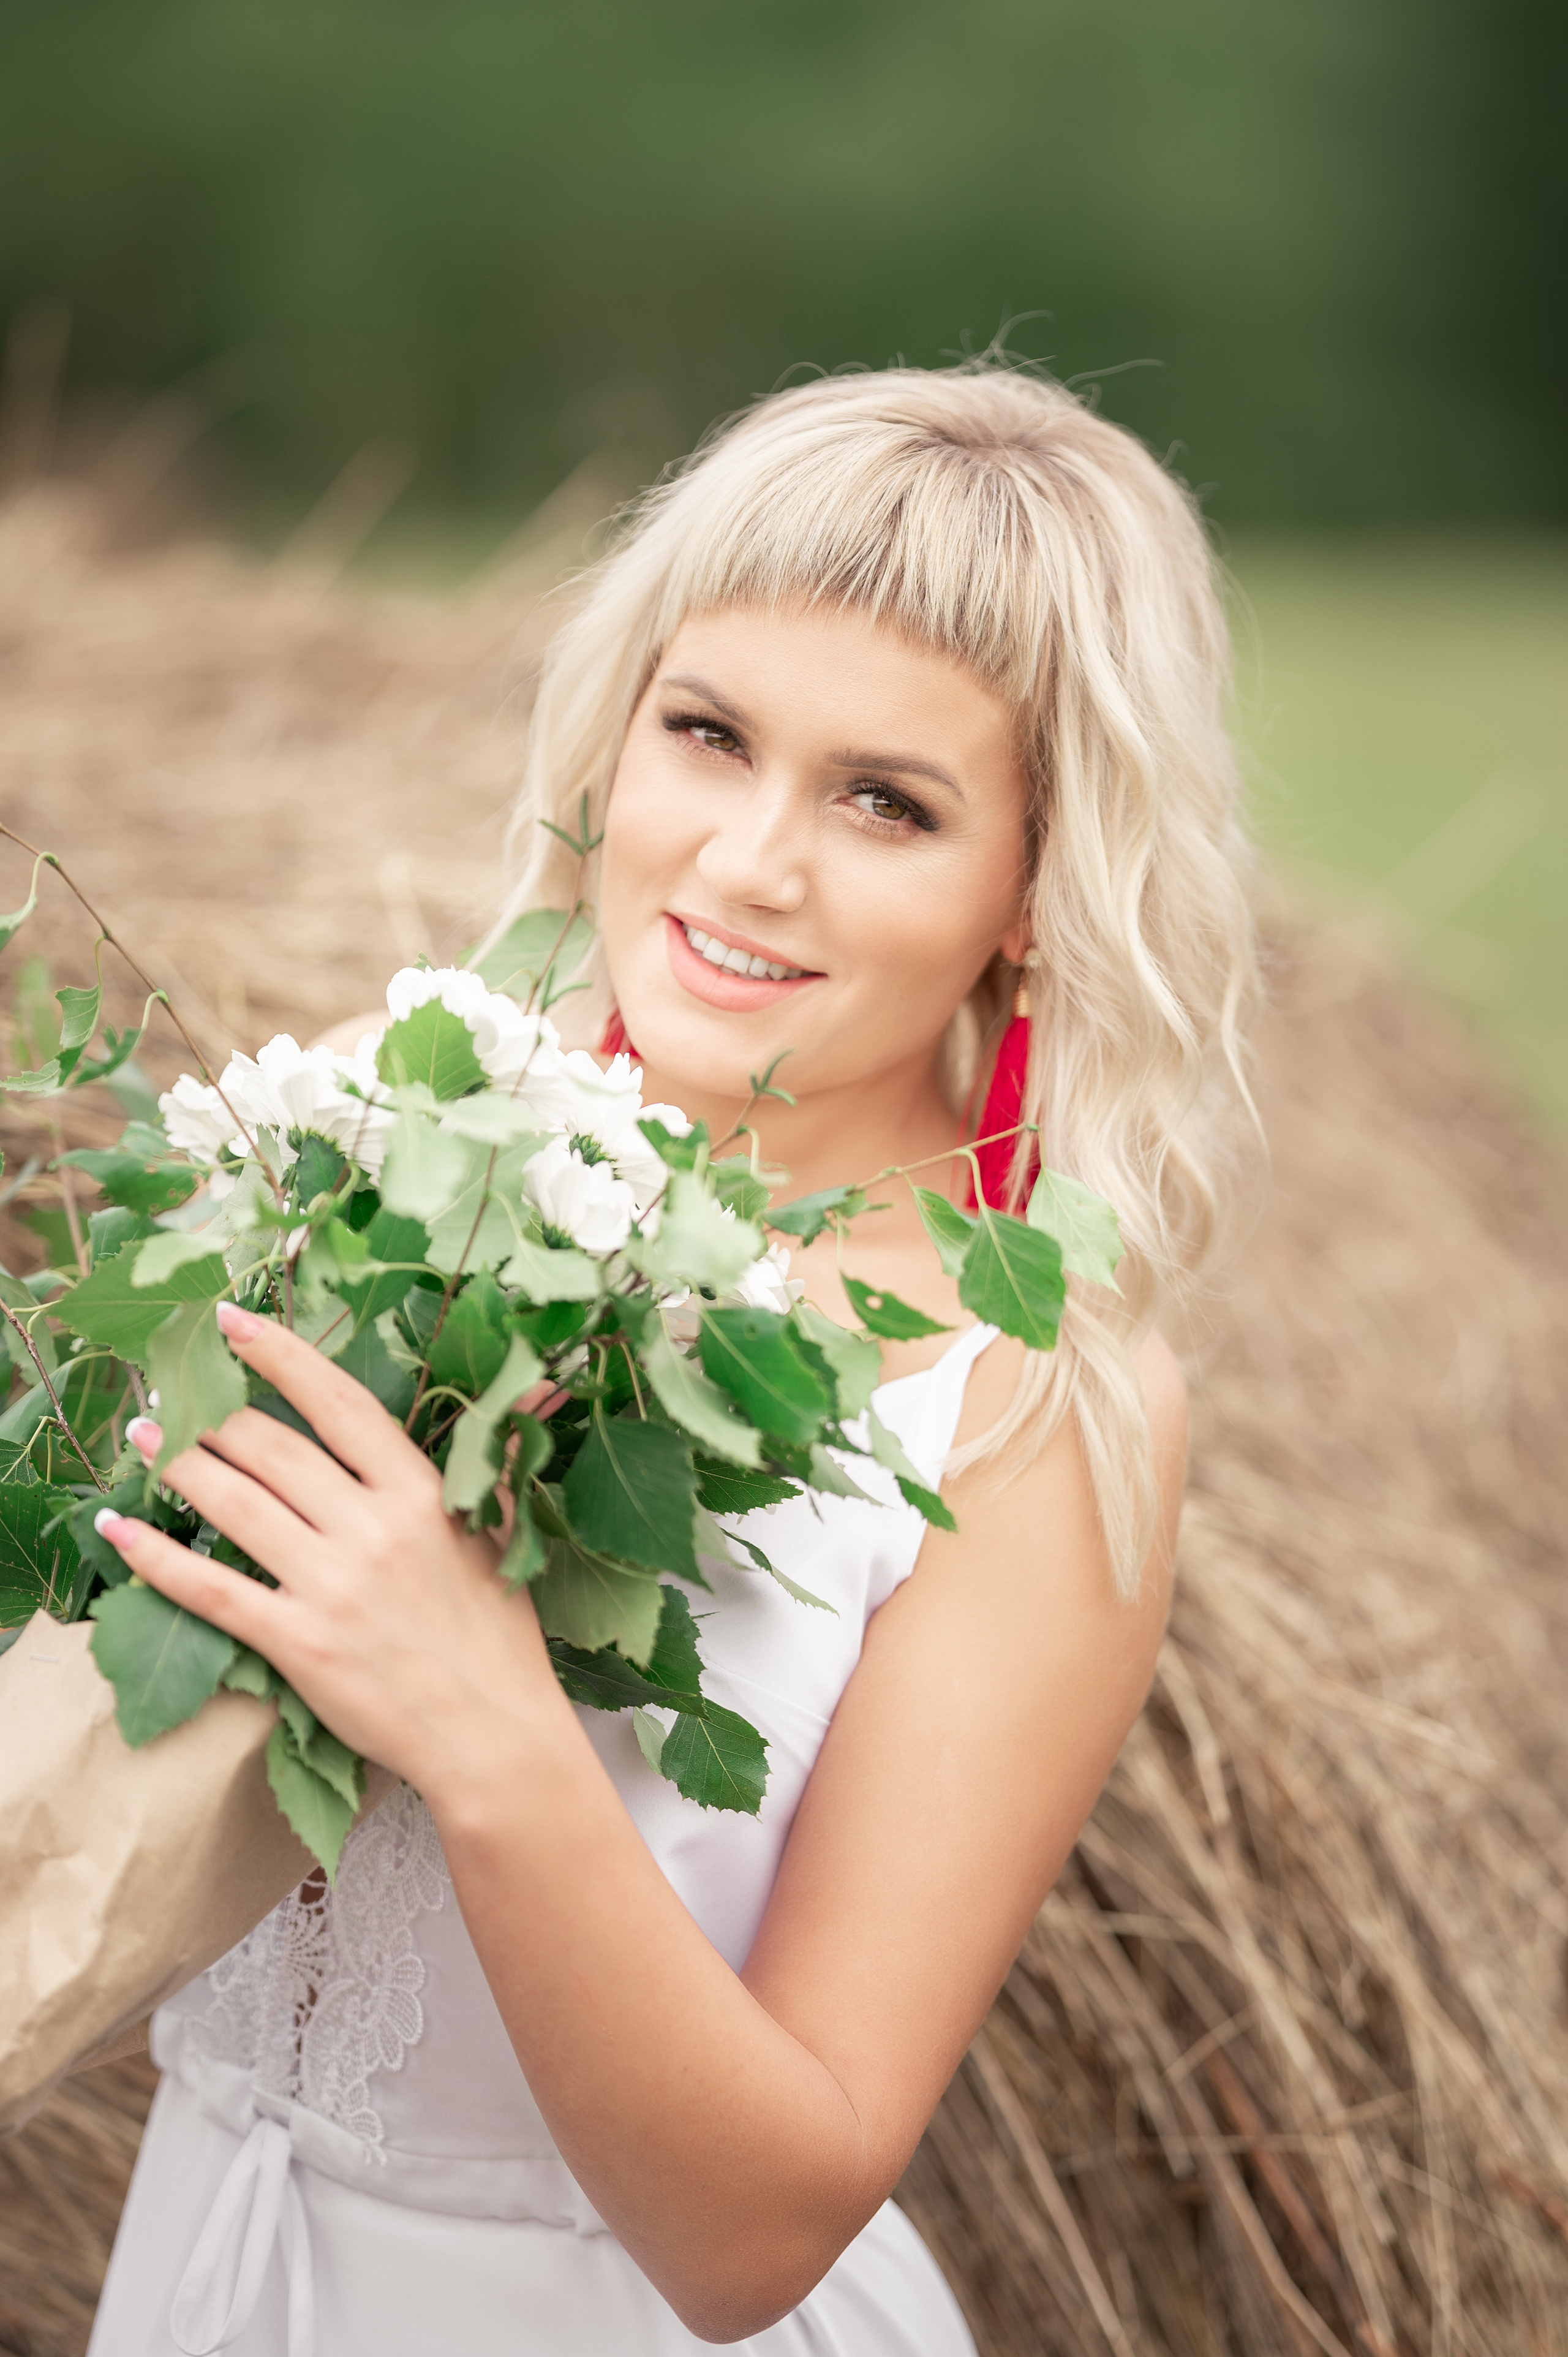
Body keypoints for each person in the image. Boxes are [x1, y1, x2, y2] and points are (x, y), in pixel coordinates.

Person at [87, 362, 1257, 2355]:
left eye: (888, 801)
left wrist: (485, 1721)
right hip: (210, 2270)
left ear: (1041, 901)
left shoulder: (1025, 1410)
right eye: (707, 735)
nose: (745, 862)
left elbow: (757, 2235)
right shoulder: (371, 1147)